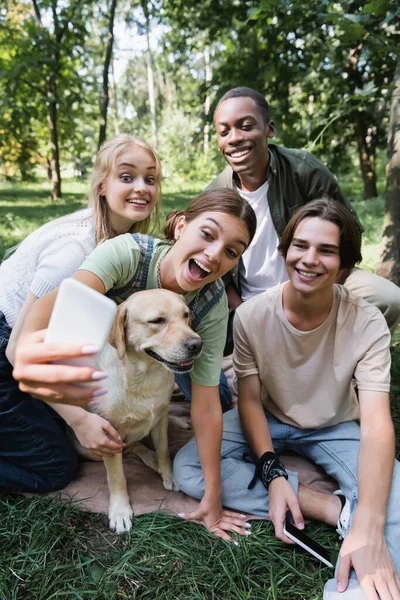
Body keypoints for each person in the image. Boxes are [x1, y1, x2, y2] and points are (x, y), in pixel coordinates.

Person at [174, 198, 400, 600]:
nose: (309, 259)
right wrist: (275, 475)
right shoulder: (250, 316)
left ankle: (356, 588)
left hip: (335, 424)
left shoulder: (368, 324)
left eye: (326, 250)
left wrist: (371, 522)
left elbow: (378, 426)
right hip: (268, 418)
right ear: (285, 251)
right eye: (300, 245)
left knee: (393, 491)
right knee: (190, 468)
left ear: (344, 263)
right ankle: (329, 508)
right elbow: (248, 400)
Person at [12, 188, 257, 543]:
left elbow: (204, 407)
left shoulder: (213, 302)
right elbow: (27, 344)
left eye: (232, 251)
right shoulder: (125, 254)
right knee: (55, 461)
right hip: (26, 338)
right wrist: (80, 420)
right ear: (181, 227)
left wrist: (213, 493)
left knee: (217, 396)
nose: (214, 254)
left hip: (152, 360)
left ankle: (151, 429)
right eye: (207, 234)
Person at [0, 133, 162, 493]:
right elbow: (17, 352)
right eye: (126, 176)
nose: (141, 188)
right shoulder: (77, 251)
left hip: (27, 347)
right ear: (102, 185)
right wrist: (79, 421)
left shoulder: (123, 245)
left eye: (150, 179)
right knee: (55, 465)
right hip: (6, 344)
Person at [208, 86, 400, 346]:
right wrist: (242, 311)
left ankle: (344, 358)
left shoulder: (303, 171)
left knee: (387, 298)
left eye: (246, 126)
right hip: (248, 303)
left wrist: (312, 301)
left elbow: (348, 240)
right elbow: (214, 269)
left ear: (269, 129)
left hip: (315, 285)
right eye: (224, 131)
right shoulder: (216, 193)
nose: (234, 138)